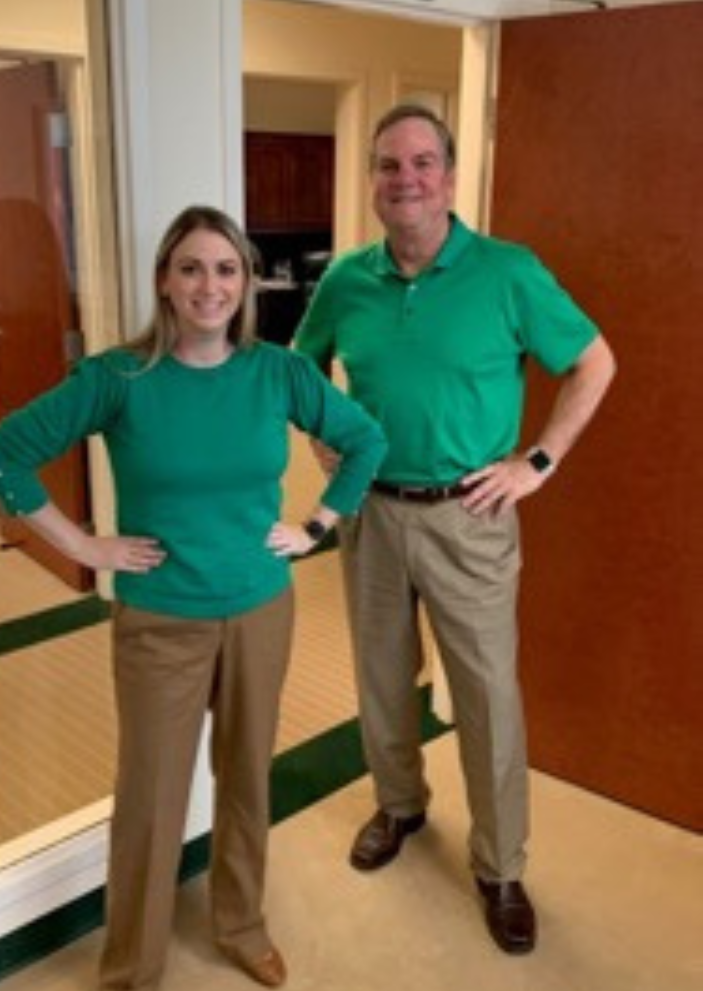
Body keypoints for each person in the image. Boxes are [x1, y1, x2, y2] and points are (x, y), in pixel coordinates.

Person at [0, 204, 386, 990]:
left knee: (245, 778)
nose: (210, 285)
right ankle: (131, 963)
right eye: (191, 267)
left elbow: (366, 439)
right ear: (164, 279)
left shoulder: (280, 371)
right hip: (161, 617)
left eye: (226, 268)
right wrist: (85, 547)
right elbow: (2, 459)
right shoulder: (118, 378)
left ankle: (241, 923)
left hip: (261, 607)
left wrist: (316, 524)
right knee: (152, 799)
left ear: (246, 282)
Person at [294, 104, 616, 956]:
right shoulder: (345, 281)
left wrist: (536, 463)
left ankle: (500, 864)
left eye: (421, 162)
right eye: (387, 165)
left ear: (448, 174)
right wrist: (322, 432)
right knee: (381, 675)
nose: (404, 179)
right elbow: (300, 367)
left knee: (485, 696)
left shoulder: (508, 273)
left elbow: (593, 361)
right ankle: (397, 803)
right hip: (368, 511)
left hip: (467, 518)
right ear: (372, 180)